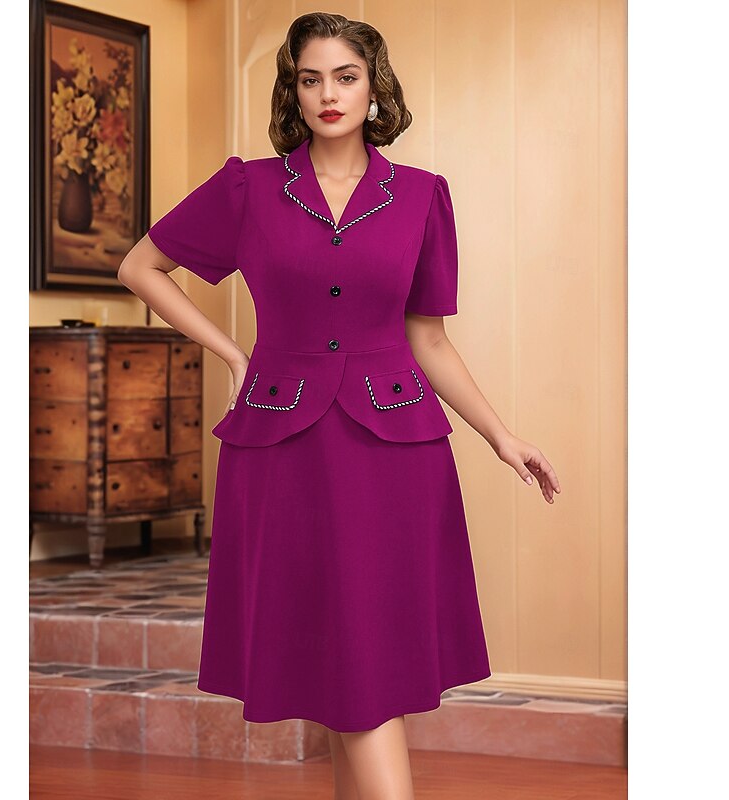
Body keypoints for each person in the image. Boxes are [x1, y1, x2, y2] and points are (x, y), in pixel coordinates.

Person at [118, 11, 561, 800]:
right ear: (293, 90)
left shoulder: (421, 196)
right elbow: (139, 267)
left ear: (373, 87)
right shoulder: (248, 187)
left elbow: (428, 338)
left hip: (394, 455)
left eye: (345, 77)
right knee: (333, 661)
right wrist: (232, 353)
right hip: (280, 451)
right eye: (311, 78)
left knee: (368, 660)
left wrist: (502, 436)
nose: (328, 94)